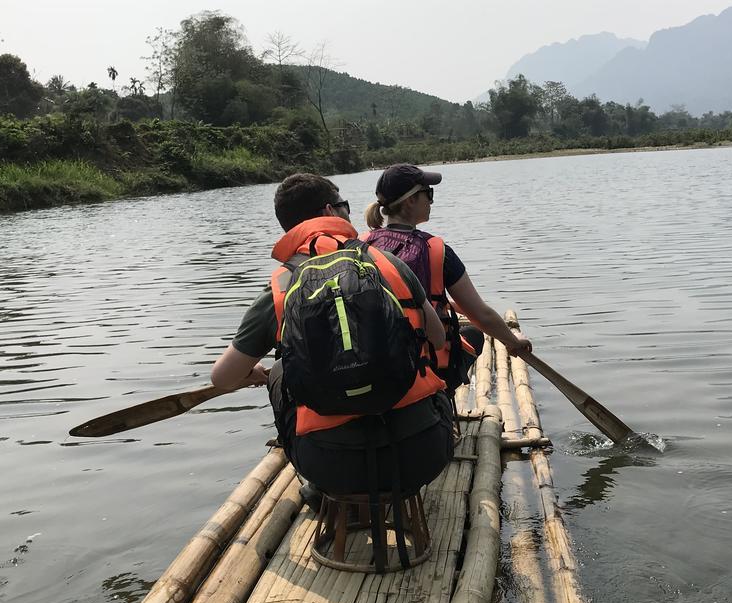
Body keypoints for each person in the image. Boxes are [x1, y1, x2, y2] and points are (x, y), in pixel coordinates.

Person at [210, 172, 453, 503]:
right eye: (345, 206)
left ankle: (323, 485)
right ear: (331, 211)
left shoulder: (281, 287)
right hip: (424, 451)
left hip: (330, 466)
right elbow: (439, 339)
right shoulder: (389, 263)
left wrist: (253, 375)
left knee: (281, 370)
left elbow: (222, 378)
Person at [363, 164, 532, 394]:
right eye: (428, 193)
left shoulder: (361, 245)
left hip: (375, 361)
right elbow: (480, 314)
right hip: (425, 364)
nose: (431, 201)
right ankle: (442, 395)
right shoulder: (434, 250)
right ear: (411, 200)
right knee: (474, 334)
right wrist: (513, 342)